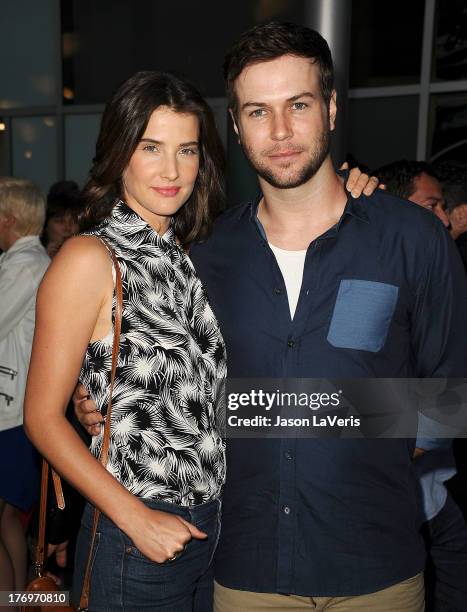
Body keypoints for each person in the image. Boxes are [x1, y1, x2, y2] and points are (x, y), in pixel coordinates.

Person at [75, 21, 467, 612]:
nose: (280, 132)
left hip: (376, 569)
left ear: (332, 109)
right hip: (240, 571)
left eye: (299, 105)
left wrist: (304, 411)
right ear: (235, 126)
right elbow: (154, 378)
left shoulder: (410, 239)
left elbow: (448, 402)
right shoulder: (201, 252)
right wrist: (102, 402)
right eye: (258, 111)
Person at [24, 71, 228, 611]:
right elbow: (41, 418)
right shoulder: (90, 258)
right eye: (150, 148)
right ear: (119, 153)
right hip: (134, 529)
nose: (172, 170)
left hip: (208, 526)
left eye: (187, 150)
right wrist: (136, 518)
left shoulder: (182, 255)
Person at [375, 158, 467, 611]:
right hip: (393, 498)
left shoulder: (436, 274)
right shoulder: (377, 278)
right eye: (432, 205)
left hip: (430, 488)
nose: (445, 217)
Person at [0, 178, 50, 600]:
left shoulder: (24, 265)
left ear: (8, 219)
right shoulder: (24, 260)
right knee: (8, 522)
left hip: (11, 414)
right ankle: (19, 601)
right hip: (14, 410)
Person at [41, 181, 81, 258]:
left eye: (74, 221)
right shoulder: (32, 260)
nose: (68, 228)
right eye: (60, 221)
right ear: (45, 225)